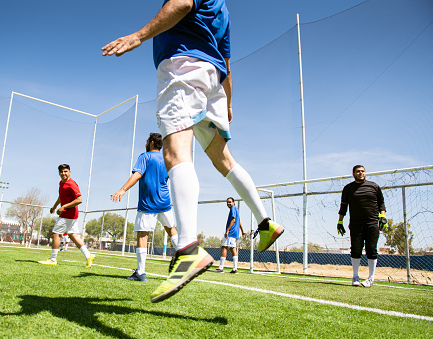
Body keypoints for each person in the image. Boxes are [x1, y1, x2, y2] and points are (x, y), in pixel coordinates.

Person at [102, 0, 284, 303]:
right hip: (212, 81)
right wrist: (226, 103)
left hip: (181, 68)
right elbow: (227, 64)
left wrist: (138, 36)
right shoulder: (223, 11)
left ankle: (187, 249)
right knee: (223, 158)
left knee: (175, 151)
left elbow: (182, 2)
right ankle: (266, 222)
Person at [111, 133, 179, 282]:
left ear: (152, 143)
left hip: (148, 203)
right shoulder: (167, 159)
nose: (146, 142)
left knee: (142, 235)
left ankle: (140, 273)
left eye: (147, 140)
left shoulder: (145, 156)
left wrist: (122, 189)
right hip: (165, 202)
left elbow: (137, 174)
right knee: (171, 229)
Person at [337, 165, 387, 288]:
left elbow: (381, 202)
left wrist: (383, 217)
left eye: (363, 171)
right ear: (353, 174)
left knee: (371, 249)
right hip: (355, 224)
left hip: (372, 223)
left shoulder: (374, 186)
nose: (361, 173)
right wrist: (340, 222)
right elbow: (343, 206)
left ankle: (371, 278)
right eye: (358, 171)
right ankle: (355, 276)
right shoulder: (348, 188)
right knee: (356, 249)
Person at [38, 164, 95, 267]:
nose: (63, 173)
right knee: (73, 235)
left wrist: (64, 207)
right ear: (59, 173)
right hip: (71, 215)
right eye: (61, 172)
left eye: (65, 171)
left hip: (69, 214)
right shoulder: (61, 183)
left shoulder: (72, 184)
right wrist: (54, 206)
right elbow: (61, 196)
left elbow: (79, 200)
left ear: (69, 172)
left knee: (55, 233)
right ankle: (88, 256)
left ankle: (52, 259)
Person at [215, 197, 246, 274]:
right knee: (233, 249)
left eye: (230, 202)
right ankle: (235, 269)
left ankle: (221, 267)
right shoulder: (236, 210)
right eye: (227, 202)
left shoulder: (233, 208)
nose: (228, 204)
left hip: (231, 232)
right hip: (235, 233)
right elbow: (239, 221)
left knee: (224, 247)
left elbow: (234, 220)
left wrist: (227, 231)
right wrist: (243, 231)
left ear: (233, 202)